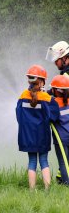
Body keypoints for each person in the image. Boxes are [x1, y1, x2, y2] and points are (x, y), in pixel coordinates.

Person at [16, 65, 59, 190]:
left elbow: (19, 115)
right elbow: (54, 116)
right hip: (42, 135)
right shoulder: (47, 98)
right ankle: (47, 189)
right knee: (44, 161)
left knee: (32, 162)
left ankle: (32, 190)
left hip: (28, 136)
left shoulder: (23, 95)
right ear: (41, 81)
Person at [46, 40, 69, 182]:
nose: (55, 63)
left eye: (57, 60)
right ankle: (62, 177)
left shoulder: (66, 76)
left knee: (64, 156)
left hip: (64, 125)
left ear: (65, 58)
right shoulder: (65, 74)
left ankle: (65, 181)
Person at [50, 75, 69, 185]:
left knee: (63, 162)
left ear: (56, 91)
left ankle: (66, 184)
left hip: (60, 139)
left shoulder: (54, 103)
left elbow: (51, 118)